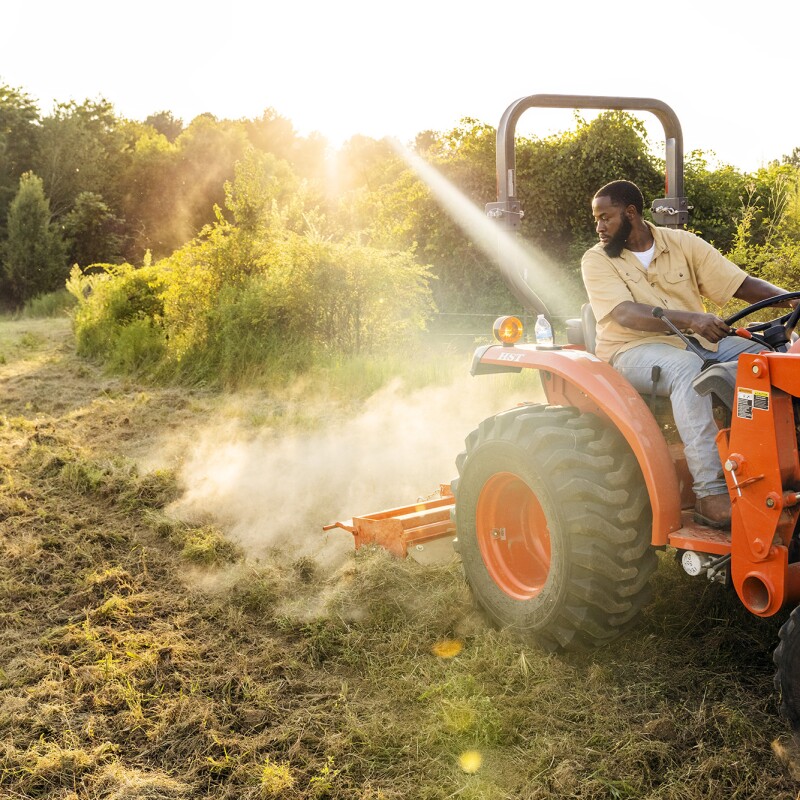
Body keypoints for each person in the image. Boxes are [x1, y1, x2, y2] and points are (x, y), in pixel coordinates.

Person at [581, 179, 794, 528]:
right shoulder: (597, 260)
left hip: (697, 344)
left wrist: (791, 298)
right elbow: (624, 314)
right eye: (597, 219)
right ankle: (710, 494)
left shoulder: (681, 244)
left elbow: (739, 283)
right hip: (632, 349)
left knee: (770, 357)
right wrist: (693, 319)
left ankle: (774, 469)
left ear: (630, 213)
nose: (599, 227)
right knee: (689, 371)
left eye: (605, 217)